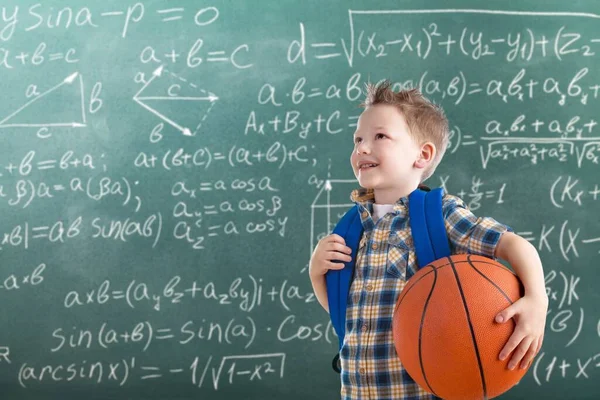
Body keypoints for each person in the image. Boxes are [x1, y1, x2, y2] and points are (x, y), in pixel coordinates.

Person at [309, 80, 548, 399]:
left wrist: (537, 301)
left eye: (379, 136)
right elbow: (353, 317)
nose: (362, 148)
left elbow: (515, 245)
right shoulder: (351, 228)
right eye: (358, 140)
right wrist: (316, 274)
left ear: (422, 155)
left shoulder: (441, 214)